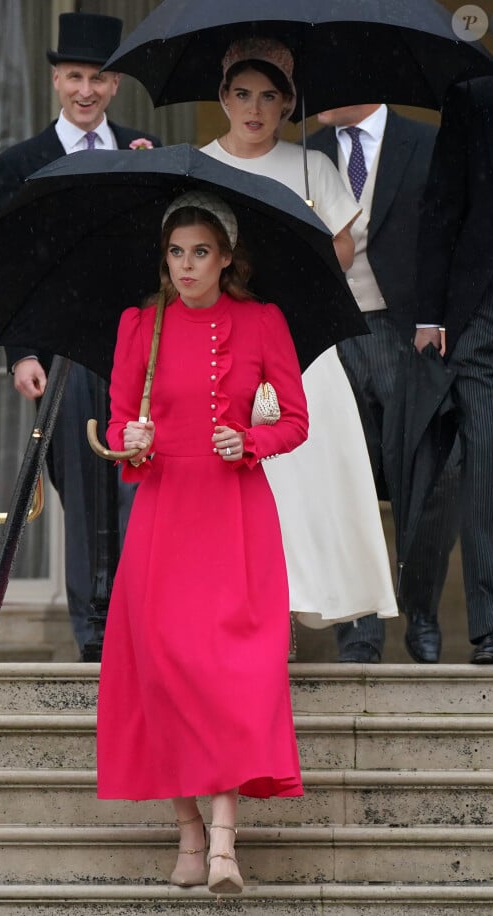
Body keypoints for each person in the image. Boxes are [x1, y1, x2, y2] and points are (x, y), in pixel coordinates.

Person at [96, 191, 308, 894]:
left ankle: (222, 842)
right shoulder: (139, 325)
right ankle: (189, 831)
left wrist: (248, 440)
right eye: (175, 253)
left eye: (200, 253)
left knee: (231, 673)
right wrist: (133, 441)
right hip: (164, 512)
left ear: (225, 259)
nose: (186, 266)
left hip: (235, 510)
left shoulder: (262, 320)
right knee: (161, 668)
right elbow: (121, 421)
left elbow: (296, 421)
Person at [201, 38, 398, 644]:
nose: (254, 109)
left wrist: (297, 261)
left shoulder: (312, 165)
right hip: (224, 342)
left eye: (268, 98)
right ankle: (241, 619)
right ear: (223, 99)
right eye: (242, 95)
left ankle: (319, 609)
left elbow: (343, 244)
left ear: (287, 106)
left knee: (311, 479)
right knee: (233, 482)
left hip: (298, 342)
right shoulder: (200, 163)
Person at [0, 12, 160, 653]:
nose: (85, 90)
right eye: (73, 77)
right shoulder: (21, 162)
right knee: (82, 486)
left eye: (98, 77)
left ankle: (137, 618)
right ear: (57, 81)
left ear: (116, 84)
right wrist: (20, 355)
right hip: (61, 346)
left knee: (138, 480)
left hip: (138, 343)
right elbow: (8, 268)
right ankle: (95, 628)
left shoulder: (143, 150)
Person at [310, 103, 460, 663]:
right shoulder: (305, 150)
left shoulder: (426, 143)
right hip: (328, 334)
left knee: (432, 476)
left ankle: (420, 610)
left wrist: (440, 319)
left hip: (407, 333)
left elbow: (451, 230)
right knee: (345, 482)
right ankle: (361, 634)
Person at [415, 76, 493, 664]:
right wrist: (429, 316)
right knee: (485, 466)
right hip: (481, 314)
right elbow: (442, 208)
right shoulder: (473, 97)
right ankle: (490, 625)